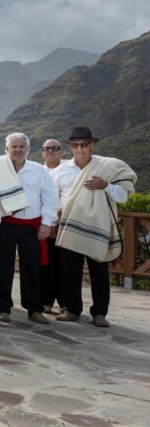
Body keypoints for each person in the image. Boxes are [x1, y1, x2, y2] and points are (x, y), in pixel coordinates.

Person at [53, 127, 136, 328]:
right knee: (69, 272)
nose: (80, 148)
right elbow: (53, 200)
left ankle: (99, 313)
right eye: (75, 145)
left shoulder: (108, 167)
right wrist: (53, 223)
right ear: (70, 147)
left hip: (98, 228)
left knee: (99, 271)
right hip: (70, 227)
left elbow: (123, 196)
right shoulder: (60, 172)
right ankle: (72, 310)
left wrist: (106, 186)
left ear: (92, 145)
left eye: (84, 144)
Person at [0, 133, 57, 324]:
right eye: (13, 147)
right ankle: (3, 307)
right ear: (6, 150)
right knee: (2, 267)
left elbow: (50, 198)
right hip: (4, 225)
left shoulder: (39, 171)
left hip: (31, 226)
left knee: (32, 268)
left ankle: (34, 309)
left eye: (21, 147)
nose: (17, 150)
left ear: (28, 149)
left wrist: (46, 223)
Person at [39, 138, 64, 313]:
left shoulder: (70, 170)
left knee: (65, 266)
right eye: (47, 148)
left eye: (54, 148)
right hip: (45, 225)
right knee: (45, 265)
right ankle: (46, 301)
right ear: (42, 153)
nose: (50, 151)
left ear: (61, 152)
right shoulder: (38, 171)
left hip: (65, 224)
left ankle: (66, 303)